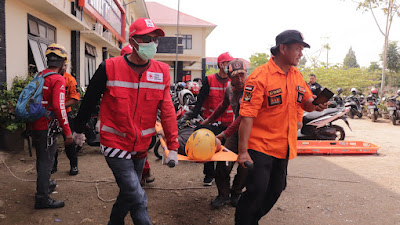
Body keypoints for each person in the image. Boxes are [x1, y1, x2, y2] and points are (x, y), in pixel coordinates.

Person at [73, 18, 179, 225]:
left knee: (128, 192)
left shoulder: (162, 72)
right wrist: (78, 129)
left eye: (155, 39)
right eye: (147, 38)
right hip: (115, 142)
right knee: (138, 197)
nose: (152, 43)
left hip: (141, 144)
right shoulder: (109, 67)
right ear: (133, 41)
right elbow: (90, 100)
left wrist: (173, 146)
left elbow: (167, 111)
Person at [235, 30, 328, 224]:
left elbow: (306, 102)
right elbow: (247, 116)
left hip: (283, 146)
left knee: (276, 189)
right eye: (297, 48)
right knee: (257, 189)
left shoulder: (296, 76)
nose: (301, 53)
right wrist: (243, 152)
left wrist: (317, 103)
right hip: (259, 146)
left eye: (302, 49)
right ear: (283, 48)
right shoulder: (260, 77)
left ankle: (251, 219)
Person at [29, 43, 73, 209]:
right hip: (46, 126)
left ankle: (45, 185)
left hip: (36, 124)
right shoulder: (58, 79)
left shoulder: (40, 75)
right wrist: (67, 133)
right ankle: (42, 198)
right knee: (46, 162)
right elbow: (59, 106)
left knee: (43, 158)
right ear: (63, 63)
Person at [201, 59, 248, 208]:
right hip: (236, 131)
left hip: (251, 132)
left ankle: (236, 193)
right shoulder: (229, 88)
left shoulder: (251, 89)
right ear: (229, 76)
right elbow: (223, 106)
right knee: (223, 162)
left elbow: (243, 116)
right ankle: (223, 194)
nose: (239, 79)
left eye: (242, 75)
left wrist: (224, 134)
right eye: (235, 76)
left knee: (245, 166)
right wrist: (208, 121)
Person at [183, 52, 235, 186]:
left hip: (228, 123)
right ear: (221, 64)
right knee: (207, 149)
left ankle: (221, 177)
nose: (230, 66)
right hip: (210, 122)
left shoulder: (233, 81)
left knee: (224, 152)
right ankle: (209, 175)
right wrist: (192, 116)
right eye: (228, 63)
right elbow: (200, 101)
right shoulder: (209, 79)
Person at [120, 44, 155, 186]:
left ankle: (140, 177)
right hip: (127, 122)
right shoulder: (119, 75)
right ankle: (136, 180)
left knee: (140, 152)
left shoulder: (145, 74)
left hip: (140, 122)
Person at [52, 63, 80, 175]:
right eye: (61, 65)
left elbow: (75, 98)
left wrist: (60, 106)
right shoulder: (49, 78)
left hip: (65, 114)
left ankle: (74, 165)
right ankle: (52, 166)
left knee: (69, 141)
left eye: (64, 65)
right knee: (51, 142)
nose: (62, 68)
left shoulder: (70, 79)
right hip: (51, 116)